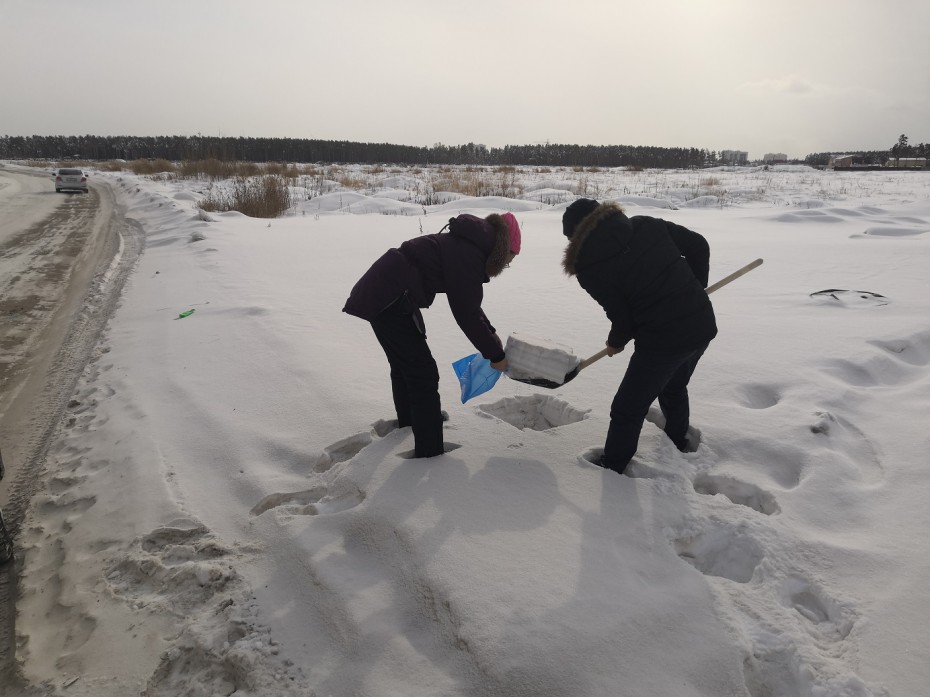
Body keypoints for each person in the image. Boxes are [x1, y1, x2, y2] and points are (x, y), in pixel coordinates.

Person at [343, 212, 521, 458]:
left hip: (386, 290)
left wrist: (490, 335)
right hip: (391, 296)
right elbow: (466, 313)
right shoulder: (469, 254)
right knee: (423, 373)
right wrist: (495, 354)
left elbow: (468, 302)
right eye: (509, 259)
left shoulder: (469, 245)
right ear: (503, 249)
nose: (506, 265)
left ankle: (412, 421)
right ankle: (430, 452)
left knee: (405, 364)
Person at [561, 198, 716, 474]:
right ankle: (677, 440)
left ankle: (613, 465)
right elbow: (698, 244)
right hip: (701, 323)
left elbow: (623, 317)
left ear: (576, 237)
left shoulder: (589, 269)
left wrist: (615, 341)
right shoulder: (646, 224)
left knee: (627, 408)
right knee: (674, 386)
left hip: (662, 340)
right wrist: (694, 289)